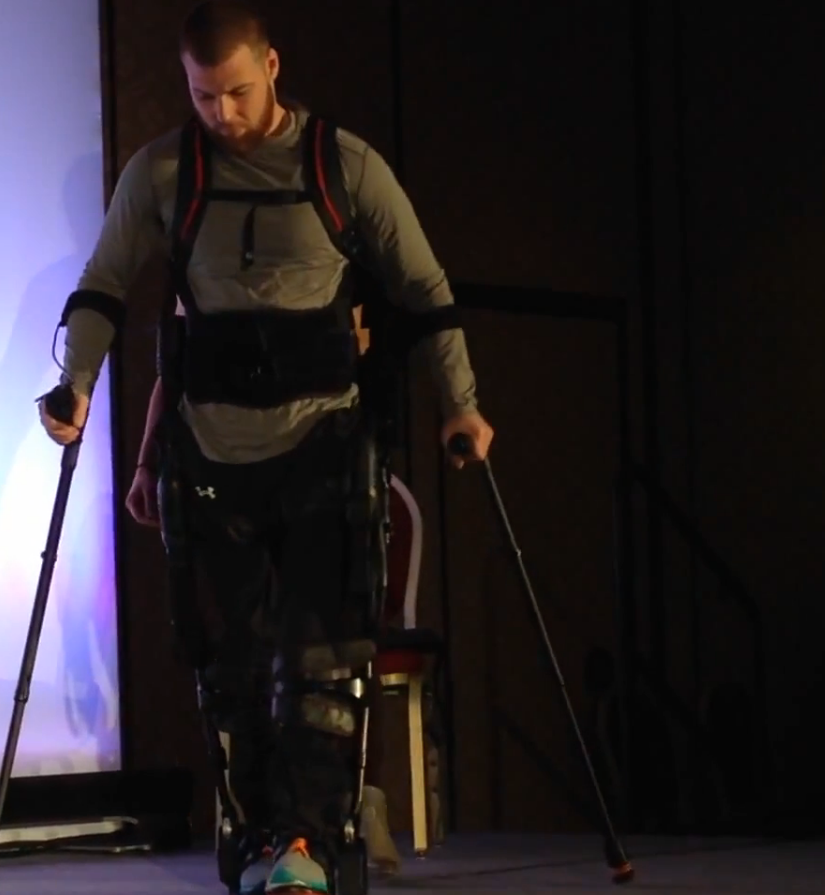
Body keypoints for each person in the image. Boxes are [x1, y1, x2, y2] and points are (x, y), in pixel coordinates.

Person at [37, 1, 493, 892]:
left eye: (237, 93)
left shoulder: (342, 164)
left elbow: (424, 288)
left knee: (320, 659)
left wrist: (462, 406)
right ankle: (257, 835)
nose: (223, 114)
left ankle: (307, 842)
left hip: (321, 444)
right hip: (210, 455)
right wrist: (79, 387)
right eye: (204, 97)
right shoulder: (163, 172)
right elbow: (104, 285)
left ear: (273, 67)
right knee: (233, 666)